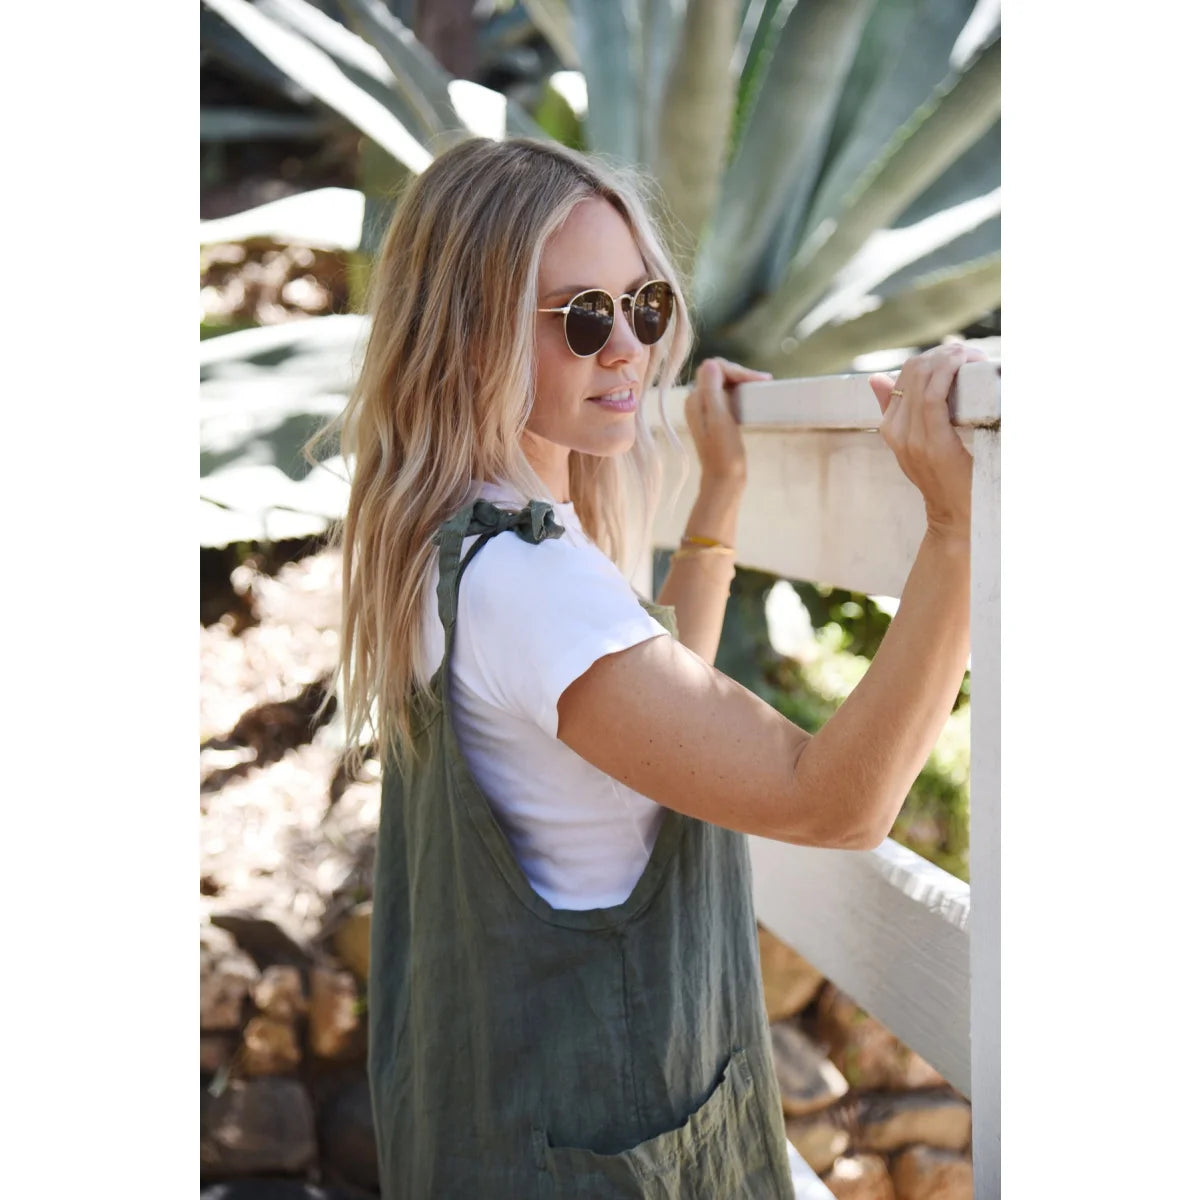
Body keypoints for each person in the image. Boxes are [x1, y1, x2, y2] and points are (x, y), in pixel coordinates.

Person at [322, 135, 986, 1198]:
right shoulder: (527, 585)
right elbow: (836, 805)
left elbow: (645, 724)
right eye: (585, 317)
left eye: (645, 306)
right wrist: (952, 532)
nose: (627, 347)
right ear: (471, 335)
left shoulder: (455, 542)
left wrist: (717, 497)